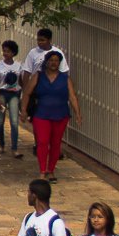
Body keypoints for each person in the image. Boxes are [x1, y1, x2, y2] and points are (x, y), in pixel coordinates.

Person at [25, 51, 78, 179]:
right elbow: (27, 93)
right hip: (41, 114)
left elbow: (72, 96)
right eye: (51, 60)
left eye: (56, 60)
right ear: (46, 62)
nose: (54, 63)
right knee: (43, 142)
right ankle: (42, 170)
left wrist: (78, 113)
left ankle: (51, 170)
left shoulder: (65, 78)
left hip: (60, 115)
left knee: (55, 143)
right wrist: (23, 110)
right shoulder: (38, 76)